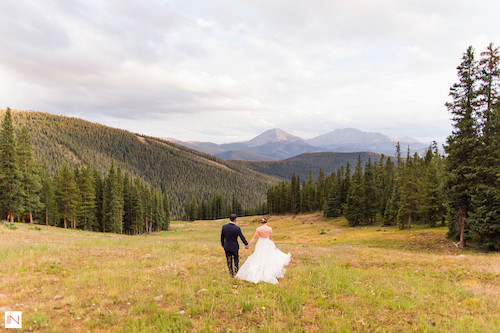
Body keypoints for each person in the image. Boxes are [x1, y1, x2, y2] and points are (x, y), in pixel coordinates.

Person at [235, 217, 291, 284]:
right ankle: (269, 273)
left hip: (261, 244)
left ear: (261, 222)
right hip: (268, 243)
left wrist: (248, 245)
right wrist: (274, 246)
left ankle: (259, 274)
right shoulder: (269, 229)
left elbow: (254, 238)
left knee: (258, 257)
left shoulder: (258, 229)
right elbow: (271, 238)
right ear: (266, 222)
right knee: (269, 258)